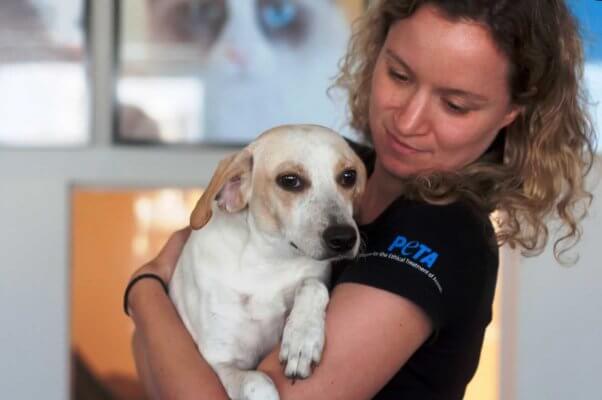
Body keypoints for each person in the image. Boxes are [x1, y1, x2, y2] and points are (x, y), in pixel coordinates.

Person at [123, 0, 596, 398]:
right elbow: (152, 367)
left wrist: (146, 291)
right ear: (376, 53)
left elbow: (168, 363)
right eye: (399, 75)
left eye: (454, 104)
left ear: (511, 113)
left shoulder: (444, 232)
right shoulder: (348, 168)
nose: (408, 121)